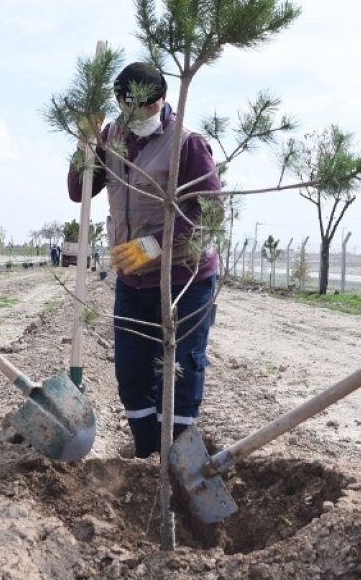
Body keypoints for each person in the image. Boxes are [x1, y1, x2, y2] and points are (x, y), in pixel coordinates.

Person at [67, 62, 221, 458]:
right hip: (132, 281)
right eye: (129, 110)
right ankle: (147, 456)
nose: (138, 119)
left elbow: (209, 214)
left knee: (181, 369)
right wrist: (83, 145)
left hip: (186, 279)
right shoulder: (111, 137)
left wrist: (154, 246)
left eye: (146, 110)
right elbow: (78, 191)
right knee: (132, 371)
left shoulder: (187, 143)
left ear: (162, 100)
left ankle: (178, 459)